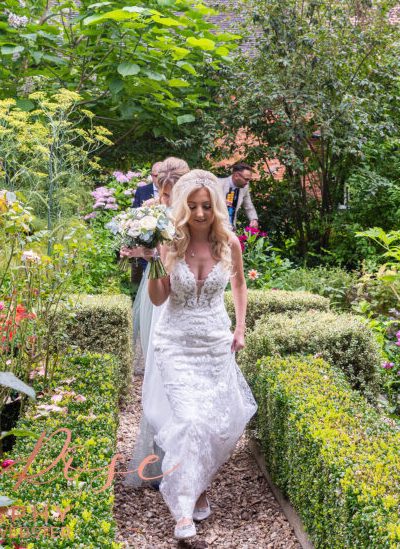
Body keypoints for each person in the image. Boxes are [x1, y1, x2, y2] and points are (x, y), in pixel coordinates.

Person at [124, 169, 257, 541]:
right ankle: (182, 510)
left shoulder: (229, 243)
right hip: (175, 344)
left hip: (215, 344)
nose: (200, 213)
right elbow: (158, 299)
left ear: (215, 205)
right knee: (189, 421)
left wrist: (240, 329)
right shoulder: (169, 243)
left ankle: (199, 486)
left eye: (206, 206)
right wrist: (152, 260)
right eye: (193, 206)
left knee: (216, 424)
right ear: (183, 206)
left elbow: (239, 284)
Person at [122, 158, 189, 377]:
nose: (167, 200)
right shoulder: (153, 209)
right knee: (156, 336)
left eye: (172, 195)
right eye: (164, 193)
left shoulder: (194, 215)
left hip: (183, 282)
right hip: (158, 279)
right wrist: (135, 251)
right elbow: (153, 249)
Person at [129, 161, 163, 285]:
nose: (159, 179)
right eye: (156, 176)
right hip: (145, 242)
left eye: (162, 176)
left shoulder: (173, 192)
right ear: (151, 175)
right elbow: (134, 215)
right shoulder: (142, 190)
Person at [218, 162, 258, 231]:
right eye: (246, 179)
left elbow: (249, 206)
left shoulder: (244, 188)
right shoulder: (218, 184)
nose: (248, 182)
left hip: (231, 229)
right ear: (236, 176)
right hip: (216, 229)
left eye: (249, 180)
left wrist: (254, 219)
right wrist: (220, 203)